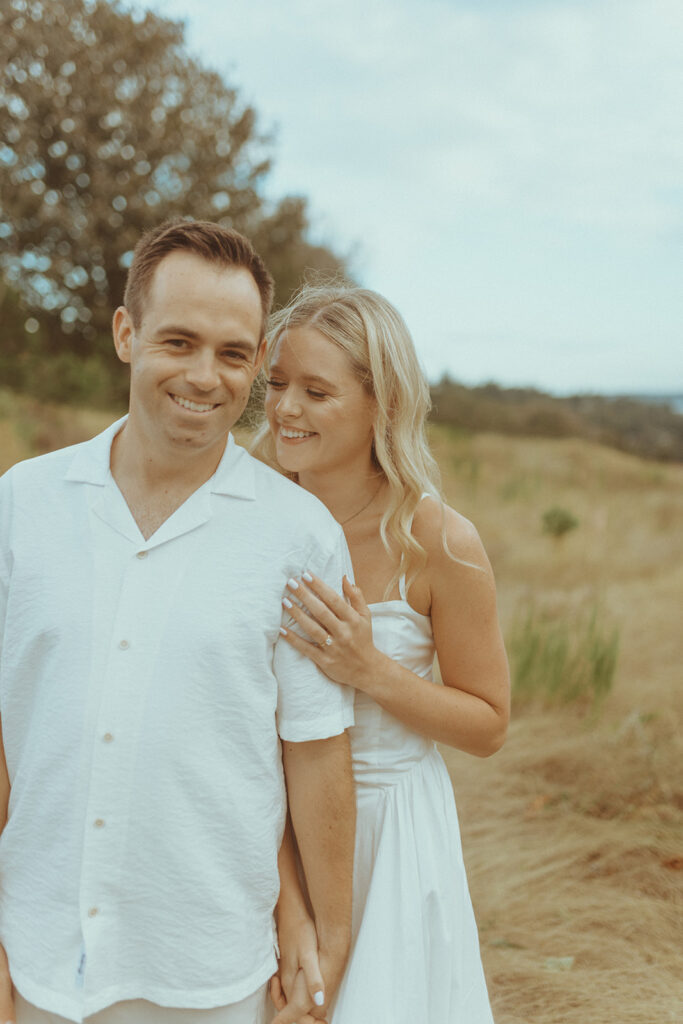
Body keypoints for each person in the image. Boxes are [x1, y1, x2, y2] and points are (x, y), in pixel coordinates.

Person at [0, 222, 357, 1024]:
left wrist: (328, 938)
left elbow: (316, 751)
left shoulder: (299, 536)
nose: (205, 376)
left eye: (233, 354)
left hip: (212, 973)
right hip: (36, 958)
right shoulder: (20, 503)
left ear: (259, 363)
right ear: (126, 334)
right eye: (178, 341)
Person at [255, 284, 510, 1023]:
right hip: (268, 825)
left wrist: (369, 669)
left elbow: (487, 725)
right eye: (276, 385)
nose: (284, 410)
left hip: (390, 835)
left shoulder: (438, 542)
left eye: (315, 391)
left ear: (382, 404)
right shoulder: (247, 512)